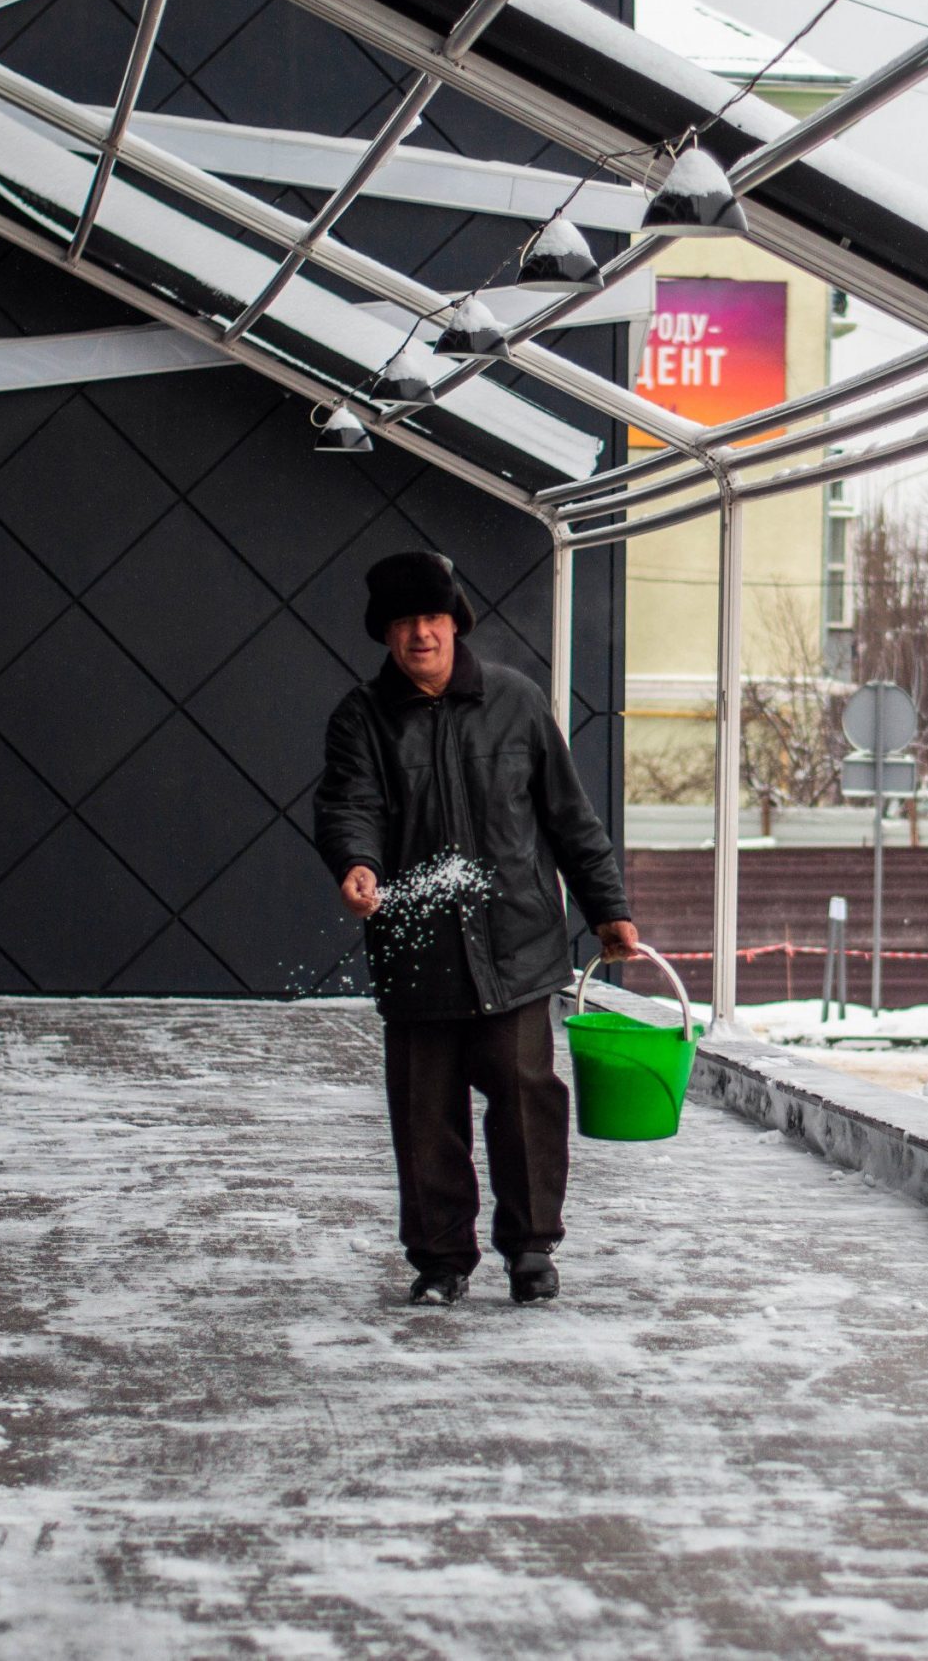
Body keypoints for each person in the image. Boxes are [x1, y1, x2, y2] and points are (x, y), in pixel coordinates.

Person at [313, 551, 639, 1308]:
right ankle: (440, 1262)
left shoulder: (516, 702)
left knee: (527, 1103)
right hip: (417, 951)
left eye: (432, 619)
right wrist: (357, 864)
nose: (420, 635)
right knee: (427, 1116)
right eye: (403, 624)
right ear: (385, 635)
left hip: (517, 947)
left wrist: (607, 907)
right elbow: (347, 806)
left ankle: (530, 1250)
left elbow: (569, 818)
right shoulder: (362, 719)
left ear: (455, 624)